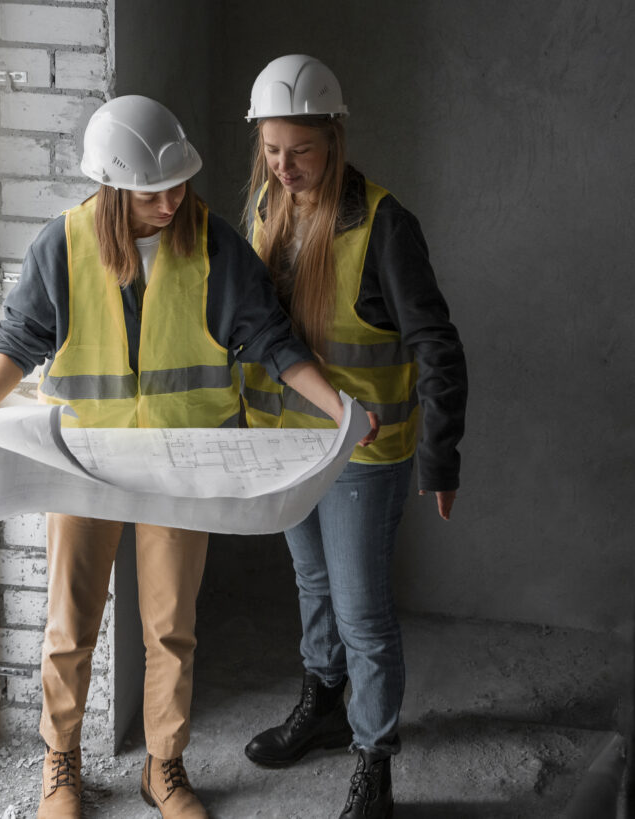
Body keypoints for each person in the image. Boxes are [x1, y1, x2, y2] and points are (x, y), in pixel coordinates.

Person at [0, 94, 376, 819]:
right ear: (111, 187)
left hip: (180, 468)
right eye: (152, 191)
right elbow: (18, 340)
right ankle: (61, 765)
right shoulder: (61, 246)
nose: (170, 200)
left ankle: (165, 766)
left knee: (169, 626)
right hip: (83, 462)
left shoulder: (217, 247)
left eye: (178, 183)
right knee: (70, 625)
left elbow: (273, 343)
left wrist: (340, 410)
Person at [237, 56, 468, 819]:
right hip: (288, 444)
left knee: (363, 613)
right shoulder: (266, 209)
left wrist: (441, 454)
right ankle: (326, 705)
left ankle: (375, 757)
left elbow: (437, 344)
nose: (284, 166)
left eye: (299, 150)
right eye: (271, 150)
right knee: (313, 588)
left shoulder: (384, 224)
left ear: (334, 138)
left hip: (365, 455)